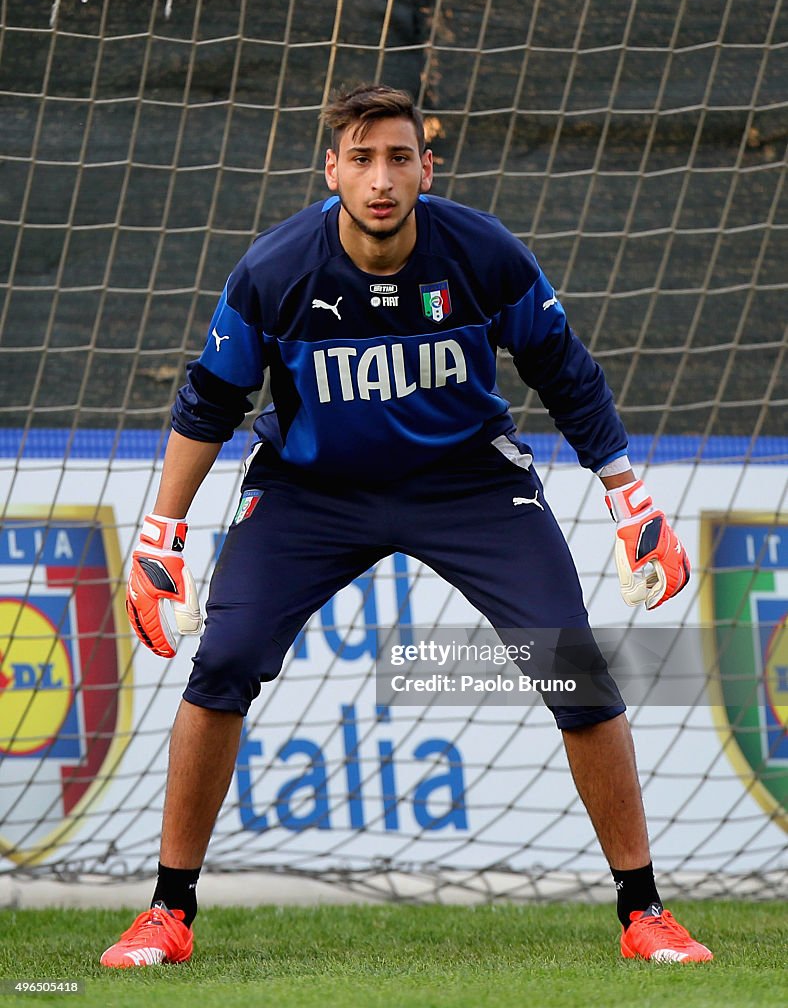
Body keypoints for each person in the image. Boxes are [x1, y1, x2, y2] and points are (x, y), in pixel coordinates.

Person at [101, 84, 711, 968]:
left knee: (570, 664)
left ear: (427, 168)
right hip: (314, 491)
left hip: (466, 483)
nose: (380, 179)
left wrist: (629, 497)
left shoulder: (483, 255)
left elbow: (567, 374)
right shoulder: (276, 271)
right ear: (331, 170)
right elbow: (209, 403)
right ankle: (167, 911)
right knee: (224, 660)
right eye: (361, 158)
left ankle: (645, 912)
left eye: (397, 158)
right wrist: (161, 534)